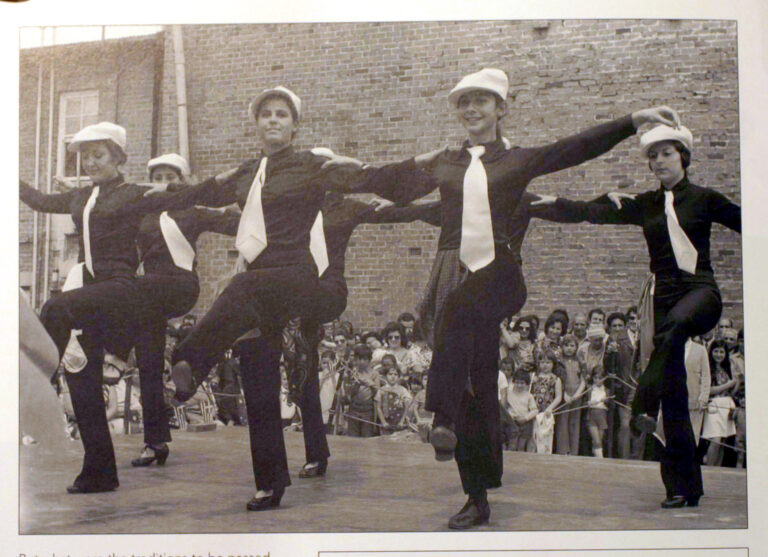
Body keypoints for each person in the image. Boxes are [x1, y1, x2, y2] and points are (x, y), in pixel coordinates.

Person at [325, 67, 678, 527]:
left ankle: (440, 414)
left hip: (501, 274)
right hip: (453, 275)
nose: (471, 109)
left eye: (482, 101)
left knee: (458, 326)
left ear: (501, 108)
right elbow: (398, 189)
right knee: (475, 384)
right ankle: (477, 490)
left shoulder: (518, 163)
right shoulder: (447, 163)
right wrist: (343, 185)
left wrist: (633, 120)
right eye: (463, 102)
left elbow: (571, 149)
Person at [149, 86, 424, 511]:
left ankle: (189, 361)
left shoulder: (313, 165)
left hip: (296, 274)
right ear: (257, 123)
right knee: (256, 372)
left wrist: (431, 170)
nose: (273, 120)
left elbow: (371, 179)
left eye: (282, 115)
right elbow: (201, 192)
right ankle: (270, 483)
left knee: (239, 289)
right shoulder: (246, 172)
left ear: (295, 125)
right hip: (257, 283)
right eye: (266, 115)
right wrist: (153, 197)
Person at [537, 123, 741, 507]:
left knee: (673, 331)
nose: (659, 160)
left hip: (700, 292)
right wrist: (551, 201)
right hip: (661, 297)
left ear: (684, 157)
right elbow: (591, 213)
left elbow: (750, 222)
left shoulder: (705, 198)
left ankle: (641, 406)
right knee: (675, 394)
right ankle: (683, 488)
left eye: (667, 152)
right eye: (653, 155)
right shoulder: (646, 204)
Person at [19, 122, 165, 493]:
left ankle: (37, 379)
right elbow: (39, 201)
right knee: (81, 379)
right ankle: (100, 471)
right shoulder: (81, 197)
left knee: (54, 309)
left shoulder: (133, 193)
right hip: (89, 293)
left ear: (117, 158)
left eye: (98, 155)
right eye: (84, 156)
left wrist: (189, 188)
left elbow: (180, 197)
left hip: (118, 289)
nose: (89, 161)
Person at [130, 153, 239, 468]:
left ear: (184, 180)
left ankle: (113, 353)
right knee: (148, 365)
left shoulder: (193, 212)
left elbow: (232, 224)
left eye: (171, 175)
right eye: (158, 175)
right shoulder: (142, 216)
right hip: (148, 295)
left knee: (127, 290)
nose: (165, 181)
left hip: (179, 286)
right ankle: (155, 442)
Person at [555, 334, 585, 455]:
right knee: (562, 423)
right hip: (563, 396)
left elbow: (583, 380)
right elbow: (558, 379)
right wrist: (564, 394)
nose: (569, 348)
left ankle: (574, 451)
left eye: (572, 345)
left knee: (574, 423)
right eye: (566, 345)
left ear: (576, 347)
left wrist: (578, 394)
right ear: (562, 347)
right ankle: (563, 451)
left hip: (576, 396)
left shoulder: (580, 362)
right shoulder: (559, 362)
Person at [530, 350, 563, 454]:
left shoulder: (555, 379)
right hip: (533, 411)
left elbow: (558, 397)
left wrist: (550, 408)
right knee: (533, 436)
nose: (545, 365)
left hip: (546, 413)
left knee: (545, 437)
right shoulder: (534, 378)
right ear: (538, 363)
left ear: (553, 364)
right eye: (542, 362)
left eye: (548, 362)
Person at [343, 344, 379, 438]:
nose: (361, 362)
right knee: (352, 436)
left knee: (366, 435)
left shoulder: (374, 374)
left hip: (368, 409)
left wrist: (371, 384)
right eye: (358, 359)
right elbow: (348, 392)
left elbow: (378, 393)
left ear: (369, 360)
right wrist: (351, 382)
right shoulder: (353, 373)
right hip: (354, 407)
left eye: (364, 359)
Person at [504, 367, 538, 452]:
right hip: (512, 422)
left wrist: (525, 418)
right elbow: (505, 407)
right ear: (513, 382)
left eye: (522, 383)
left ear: (527, 384)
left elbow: (535, 410)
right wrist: (510, 416)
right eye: (517, 383)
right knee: (512, 445)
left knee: (521, 446)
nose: (519, 385)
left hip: (525, 424)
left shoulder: (529, 396)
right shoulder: (508, 393)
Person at [375, 366, 413, 434]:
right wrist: (383, 422)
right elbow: (378, 407)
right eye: (390, 374)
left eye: (395, 374)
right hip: (386, 424)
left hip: (399, 423)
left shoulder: (403, 390)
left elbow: (407, 406)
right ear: (385, 376)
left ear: (399, 377)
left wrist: (402, 421)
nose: (393, 376)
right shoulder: (381, 390)